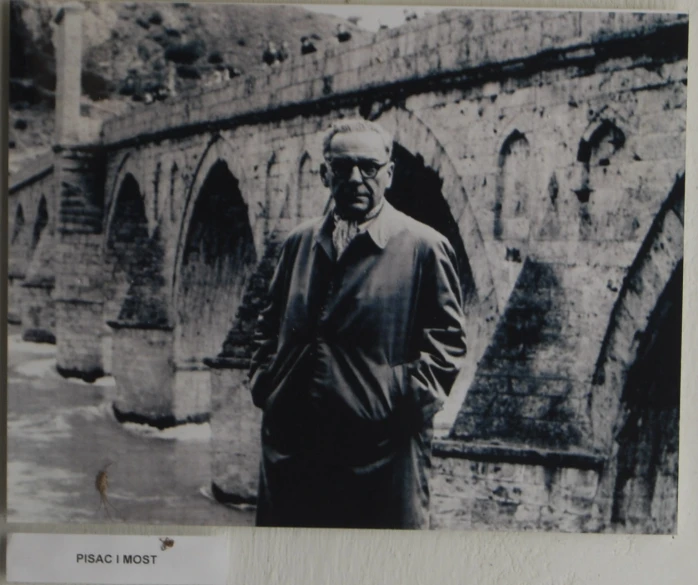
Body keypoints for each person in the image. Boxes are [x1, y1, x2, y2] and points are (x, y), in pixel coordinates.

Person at [249, 118, 467, 529]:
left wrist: (394, 405)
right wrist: (267, 384)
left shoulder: (425, 247)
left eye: (368, 167)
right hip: (296, 449)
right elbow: (267, 322)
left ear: (388, 172)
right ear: (324, 173)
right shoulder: (299, 242)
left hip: (381, 455)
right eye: (342, 167)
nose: (355, 178)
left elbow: (448, 347)